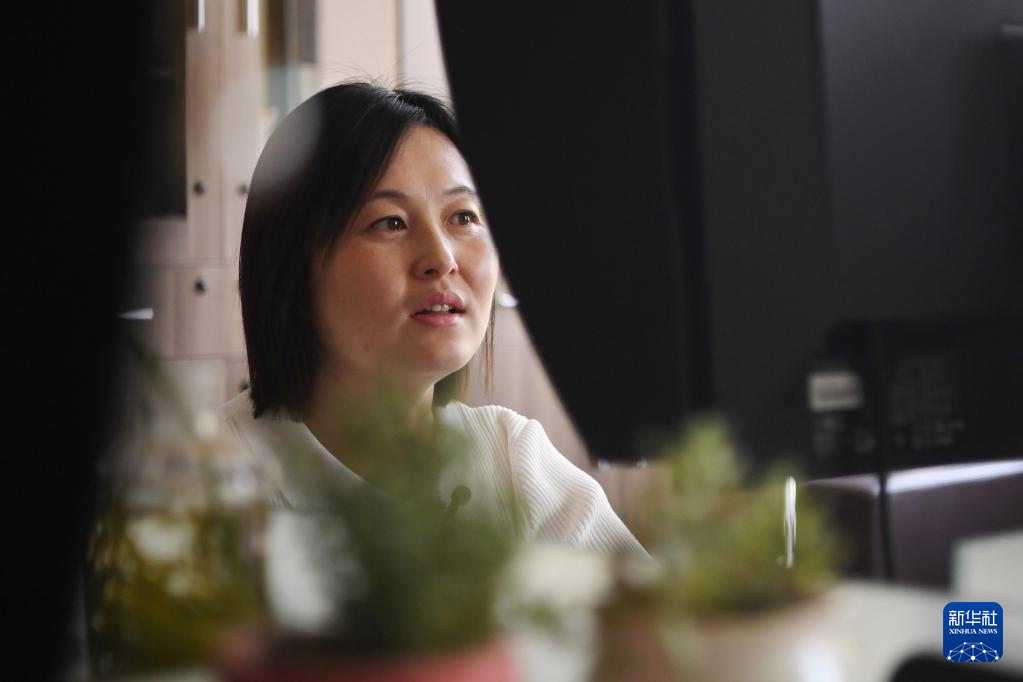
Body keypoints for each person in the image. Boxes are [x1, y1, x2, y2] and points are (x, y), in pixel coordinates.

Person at [220, 81, 645, 557]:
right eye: (390, 222)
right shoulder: (211, 481)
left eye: (463, 217)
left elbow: (656, 602)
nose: (442, 259)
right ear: (291, 265)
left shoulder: (510, 458)